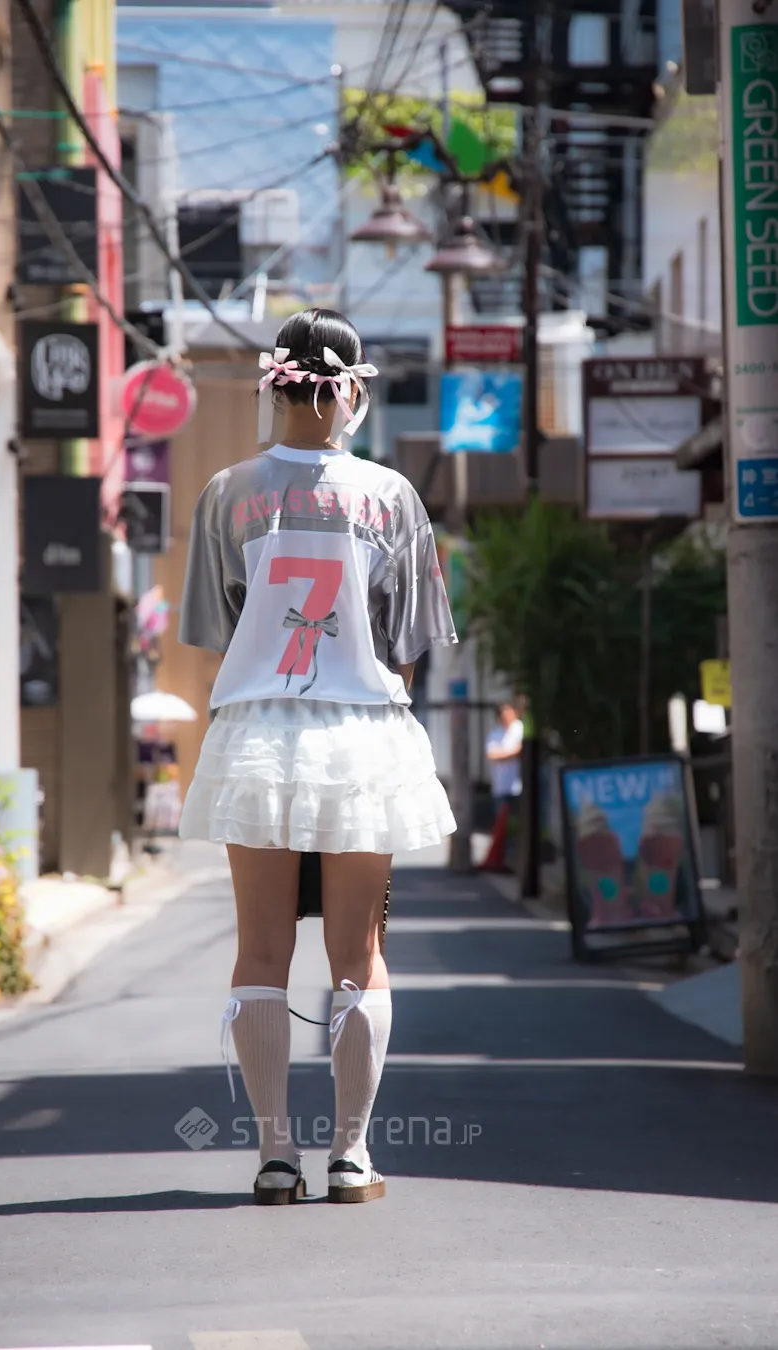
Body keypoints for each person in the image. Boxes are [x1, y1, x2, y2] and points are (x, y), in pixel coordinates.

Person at [178, 309, 457, 1206]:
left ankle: (273, 1155)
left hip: (257, 730)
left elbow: (218, 634)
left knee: (260, 949)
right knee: (357, 955)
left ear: (277, 385)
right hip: (360, 734)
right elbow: (408, 644)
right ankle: (351, 1155)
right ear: (350, 389)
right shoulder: (392, 496)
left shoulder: (226, 491)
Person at [486, 701, 524, 817]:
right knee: (502, 819)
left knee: (518, 818)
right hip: (500, 786)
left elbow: (521, 751)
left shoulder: (519, 728)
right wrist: (511, 754)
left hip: (518, 785)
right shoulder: (495, 733)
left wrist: (503, 754)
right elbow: (491, 755)